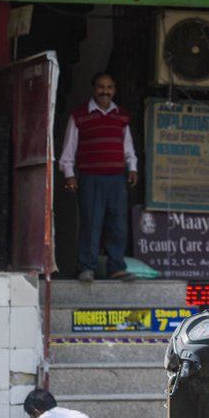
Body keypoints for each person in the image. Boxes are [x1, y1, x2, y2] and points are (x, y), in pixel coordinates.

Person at [58, 72, 137, 283]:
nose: (105, 91)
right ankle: (87, 267)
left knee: (118, 224)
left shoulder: (121, 116)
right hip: (91, 177)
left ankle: (116, 267)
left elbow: (127, 147)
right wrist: (69, 175)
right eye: (101, 87)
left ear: (114, 90)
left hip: (116, 179)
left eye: (109, 87)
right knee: (91, 223)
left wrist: (133, 168)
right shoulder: (80, 115)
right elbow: (68, 149)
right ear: (94, 89)